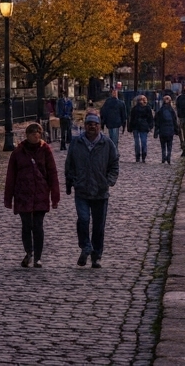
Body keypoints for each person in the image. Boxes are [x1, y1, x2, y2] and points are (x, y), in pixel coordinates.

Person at [64, 113, 119, 268]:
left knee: (98, 226)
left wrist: (108, 181)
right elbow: (69, 164)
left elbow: (114, 164)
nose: (91, 127)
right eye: (89, 124)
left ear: (99, 126)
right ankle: (85, 246)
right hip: (82, 189)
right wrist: (70, 181)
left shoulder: (106, 143)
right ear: (85, 125)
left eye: (94, 124)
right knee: (83, 220)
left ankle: (96, 255)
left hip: (100, 192)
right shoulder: (77, 143)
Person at [4, 123, 61, 267]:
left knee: (38, 226)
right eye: (33, 133)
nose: (36, 136)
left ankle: (38, 257)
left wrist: (55, 196)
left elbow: (52, 173)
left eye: (38, 133)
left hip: (40, 193)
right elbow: (11, 176)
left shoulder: (46, 150)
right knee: (26, 225)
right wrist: (8, 198)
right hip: (23, 194)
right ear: (27, 135)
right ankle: (29, 252)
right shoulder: (18, 152)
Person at [127, 94, 153, 163]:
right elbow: (131, 118)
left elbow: (150, 118)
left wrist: (150, 126)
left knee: (141, 142)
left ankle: (141, 155)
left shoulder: (146, 108)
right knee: (139, 142)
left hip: (141, 126)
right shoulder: (136, 108)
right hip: (138, 126)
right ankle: (140, 156)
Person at [153, 94, 178, 165]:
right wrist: (176, 130)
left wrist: (156, 132)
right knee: (169, 145)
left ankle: (163, 157)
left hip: (162, 131)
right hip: (170, 130)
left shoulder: (160, 110)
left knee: (163, 146)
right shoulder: (172, 111)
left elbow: (156, 121)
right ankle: (169, 157)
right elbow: (175, 121)